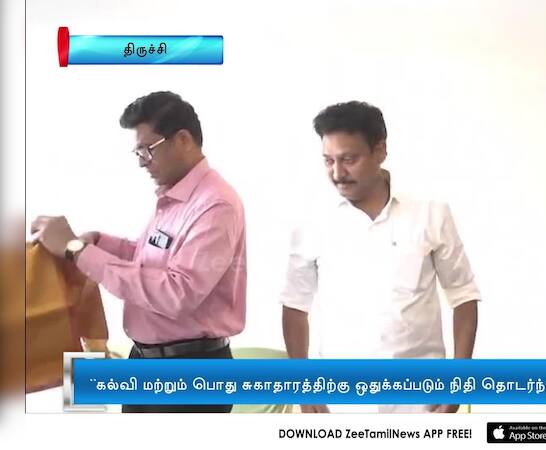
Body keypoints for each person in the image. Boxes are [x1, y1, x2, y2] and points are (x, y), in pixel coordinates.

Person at [30, 91, 247, 413]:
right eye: (138, 152)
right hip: (145, 360)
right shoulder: (176, 199)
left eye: (147, 150)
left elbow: (177, 293)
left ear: (183, 140)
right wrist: (98, 243)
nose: (142, 161)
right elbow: (151, 259)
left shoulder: (215, 205)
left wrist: (77, 251)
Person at [280, 101, 480, 413]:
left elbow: (464, 297)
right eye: (328, 160)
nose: (337, 173)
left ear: (380, 150)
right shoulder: (311, 221)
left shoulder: (430, 212)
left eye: (349, 159)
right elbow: (294, 307)